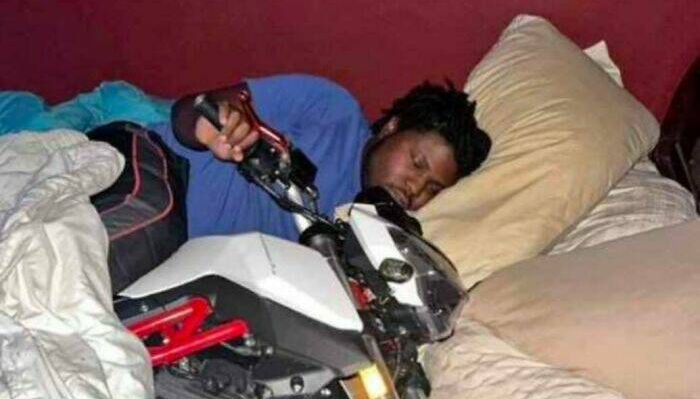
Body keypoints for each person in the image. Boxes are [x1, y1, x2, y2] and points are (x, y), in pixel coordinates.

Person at [153, 74, 491, 241]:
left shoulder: (372, 233)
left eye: (432, 188)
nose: (414, 188)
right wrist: (212, 124)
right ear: (392, 127)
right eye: (417, 163)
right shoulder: (333, 111)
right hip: (158, 185)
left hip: (187, 280)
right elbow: (190, 111)